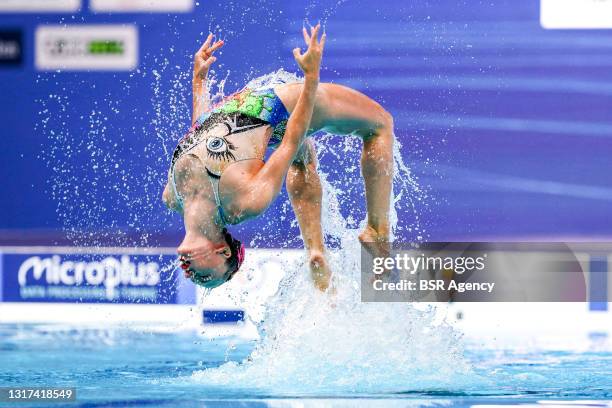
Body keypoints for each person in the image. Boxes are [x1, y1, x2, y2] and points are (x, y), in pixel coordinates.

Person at [162, 25, 394, 291]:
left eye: (198, 279)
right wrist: (311, 78)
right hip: (283, 105)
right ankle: (377, 229)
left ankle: (316, 251)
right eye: (203, 276)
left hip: (252, 116)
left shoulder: (173, 196)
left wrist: (199, 81)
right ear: (223, 252)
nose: (190, 275)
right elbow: (291, 140)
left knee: (302, 160)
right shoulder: (245, 202)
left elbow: (200, 135)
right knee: (380, 124)